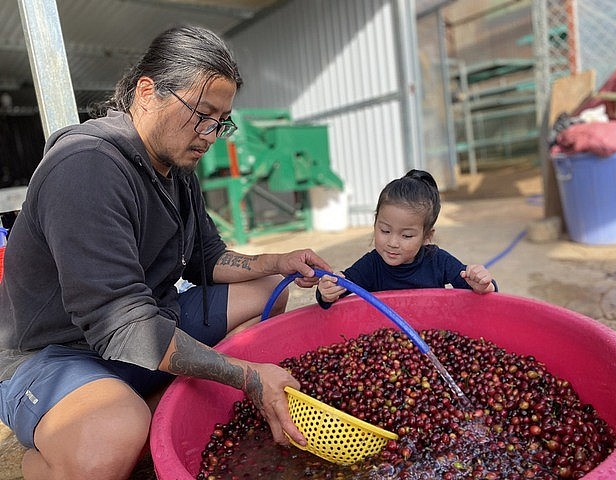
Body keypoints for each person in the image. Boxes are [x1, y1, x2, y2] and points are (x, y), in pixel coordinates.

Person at [0, 25, 331, 480]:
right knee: (112, 438)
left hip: (148, 321)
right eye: (202, 114)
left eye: (220, 121)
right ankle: (59, 452)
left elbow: (207, 258)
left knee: (270, 289)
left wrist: (278, 262)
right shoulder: (85, 167)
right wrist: (248, 375)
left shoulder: (176, 170)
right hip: (55, 353)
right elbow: (124, 325)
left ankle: (154, 402)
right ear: (147, 92)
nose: (210, 134)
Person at [317, 169, 496, 308]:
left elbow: (480, 289)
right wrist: (327, 292)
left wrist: (483, 284)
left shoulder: (438, 261)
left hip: (432, 336)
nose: (393, 243)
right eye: (385, 231)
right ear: (375, 223)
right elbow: (336, 293)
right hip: (387, 339)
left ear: (427, 236)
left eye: (406, 235)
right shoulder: (371, 265)